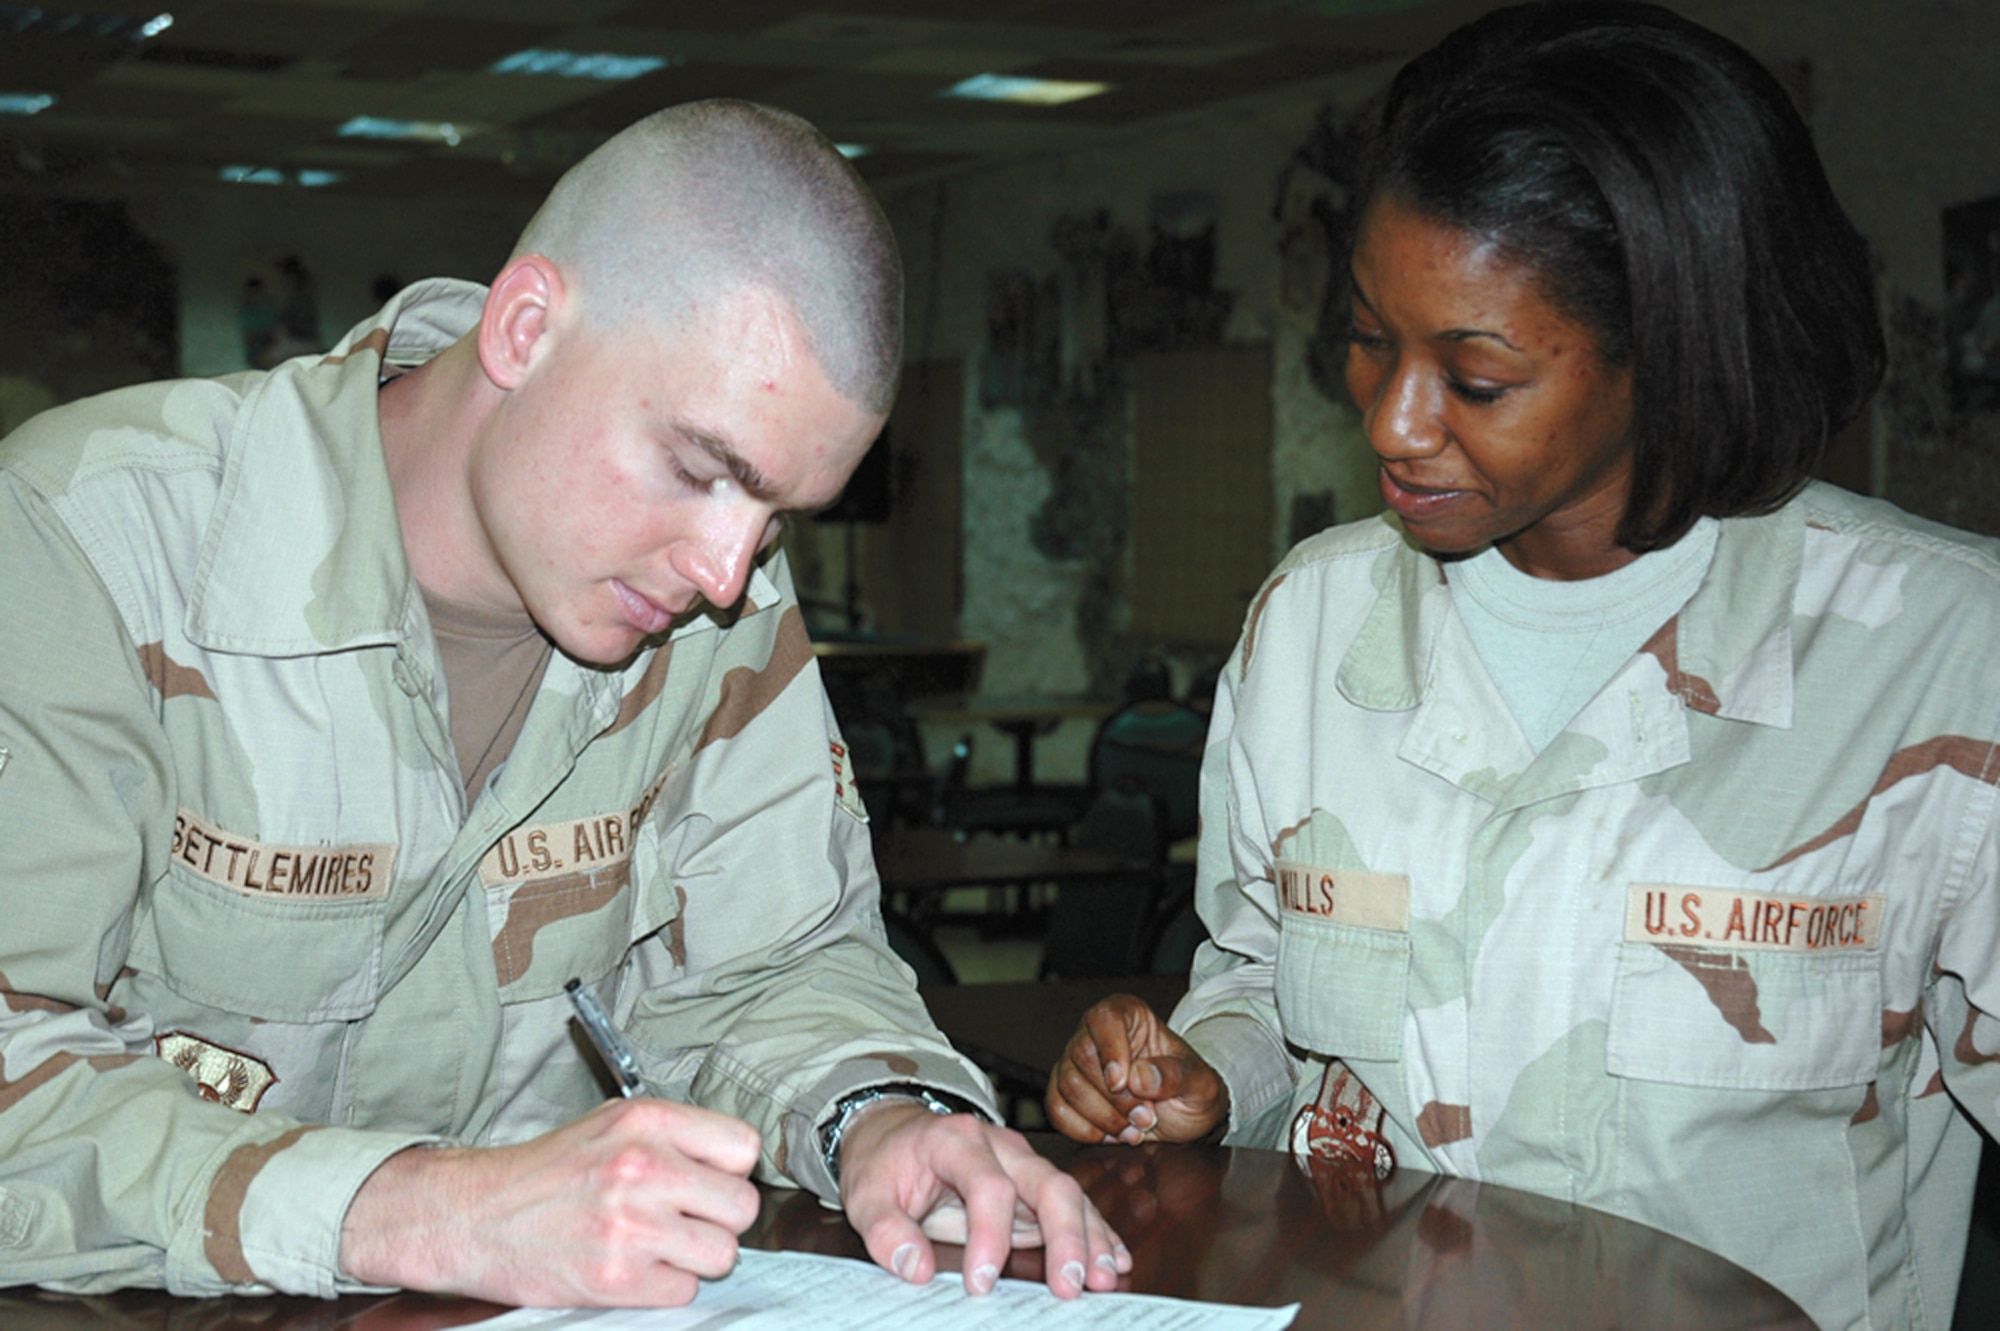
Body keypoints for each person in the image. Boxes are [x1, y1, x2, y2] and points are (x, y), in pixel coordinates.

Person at [0, 99, 1127, 1306]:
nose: (726, 570)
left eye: (776, 515)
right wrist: (424, 1207)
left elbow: (773, 962)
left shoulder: (714, 606)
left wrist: (878, 1109)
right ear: (526, 327)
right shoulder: (91, 543)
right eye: (698, 469)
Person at [1047, 4, 2000, 1328]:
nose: (1391, 418)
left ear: (1666, 355)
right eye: (1372, 334)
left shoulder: (1943, 659)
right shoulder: (1315, 626)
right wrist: (1198, 1069)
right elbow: (1263, 979)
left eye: (1476, 377)